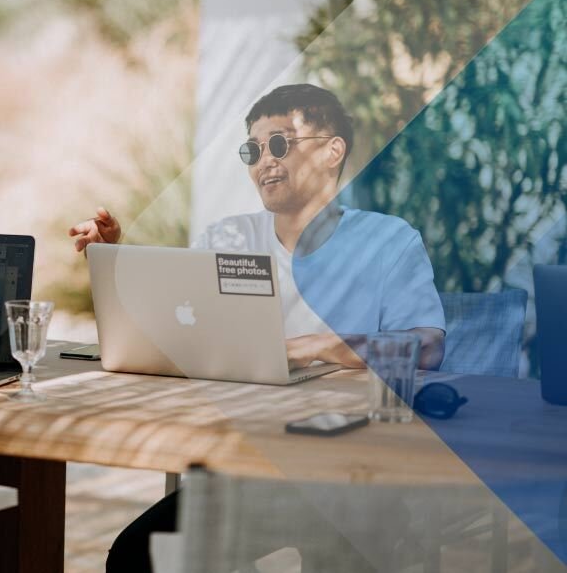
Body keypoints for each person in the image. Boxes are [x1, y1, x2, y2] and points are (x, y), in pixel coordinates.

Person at [68, 84, 446, 572]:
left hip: (355, 475)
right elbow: (171, 330)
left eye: (281, 143)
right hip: (246, 471)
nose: (264, 160)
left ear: (334, 151)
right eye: (253, 149)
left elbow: (428, 347)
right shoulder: (228, 238)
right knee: (134, 557)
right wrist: (117, 258)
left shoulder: (389, 241)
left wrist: (318, 345)